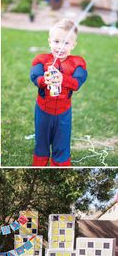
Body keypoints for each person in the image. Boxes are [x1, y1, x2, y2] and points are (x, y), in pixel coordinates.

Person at [30, 19, 88, 166]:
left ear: (73, 45)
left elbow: (77, 83)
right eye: (57, 41)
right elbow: (35, 77)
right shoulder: (42, 60)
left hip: (63, 112)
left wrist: (63, 78)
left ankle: (60, 165)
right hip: (43, 110)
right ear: (50, 41)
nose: (60, 47)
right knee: (42, 141)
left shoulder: (77, 63)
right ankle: (39, 164)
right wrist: (45, 80)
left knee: (62, 142)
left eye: (66, 43)